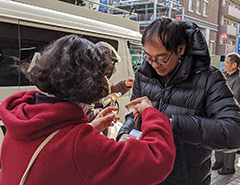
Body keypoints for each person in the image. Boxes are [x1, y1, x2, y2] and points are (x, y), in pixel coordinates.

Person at [0, 34, 176, 185]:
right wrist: (151, 113)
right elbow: (157, 160)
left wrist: (90, 127)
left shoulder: (22, 119)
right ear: (89, 84)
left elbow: (54, 152)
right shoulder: (80, 147)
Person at [116, 18, 240, 185]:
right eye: (148, 57)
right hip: (146, 170)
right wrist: (124, 133)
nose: (154, 65)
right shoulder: (143, 74)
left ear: (180, 49)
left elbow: (234, 132)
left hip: (185, 177)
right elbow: (134, 113)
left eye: (161, 58)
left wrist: (169, 123)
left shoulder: (209, 78)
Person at [80, 41, 134, 139]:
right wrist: (105, 110)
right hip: (91, 130)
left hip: (99, 128)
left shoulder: (101, 78)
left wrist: (124, 85)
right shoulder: (88, 81)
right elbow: (87, 112)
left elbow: (107, 92)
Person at [212, 52, 240, 175]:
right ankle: (219, 161)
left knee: (228, 139)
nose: (225, 64)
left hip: (230, 113)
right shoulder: (224, 75)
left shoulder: (238, 79)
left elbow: (235, 97)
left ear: (234, 65)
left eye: (227, 62)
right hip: (218, 111)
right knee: (217, 137)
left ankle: (229, 166)